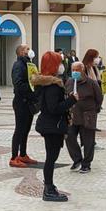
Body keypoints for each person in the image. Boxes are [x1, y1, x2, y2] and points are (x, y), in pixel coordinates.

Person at [34, 51, 77, 202]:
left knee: (51, 157)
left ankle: (50, 186)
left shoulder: (46, 82)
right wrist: (71, 100)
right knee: (51, 158)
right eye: (59, 63)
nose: (61, 66)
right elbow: (54, 108)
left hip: (50, 125)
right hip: (52, 125)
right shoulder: (52, 85)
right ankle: (48, 189)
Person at [66, 60, 102, 173]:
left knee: (88, 141)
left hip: (87, 115)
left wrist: (94, 110)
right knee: (69, 137)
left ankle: (86, 163)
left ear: (82, 70)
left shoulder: (91, 83)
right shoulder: (70, 82)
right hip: (73, 115)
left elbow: (99, 98)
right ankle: (77, 159)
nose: (74, 72)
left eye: (77, 70)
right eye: (73, 70)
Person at [9, 44, 38, 167]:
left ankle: (23, 154)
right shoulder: (18, 65)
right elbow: (18, 84)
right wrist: (32, 87)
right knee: (19, 130)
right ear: (21, 52)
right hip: (21, 102)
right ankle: (14, 156)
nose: (30, 50)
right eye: (27, 49)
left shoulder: (29, 64)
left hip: (29, 102)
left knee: (26, 130)